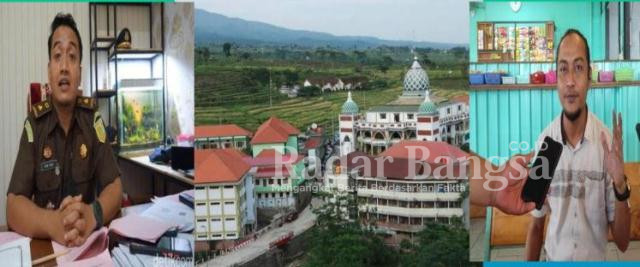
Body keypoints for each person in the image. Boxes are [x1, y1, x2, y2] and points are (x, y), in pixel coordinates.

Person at [6, 13, 122, 247]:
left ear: (79, 71)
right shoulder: (35, 125)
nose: (65, 66)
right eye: (57, 56)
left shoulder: (93, 120)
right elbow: (13, 205)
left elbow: (115, 187)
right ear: (49, 70)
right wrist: (54, 224)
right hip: (48, 246)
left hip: (87, 244)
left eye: (72, 57)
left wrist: (92, 215)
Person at [525, 29, 630, 261]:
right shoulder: (545, 143)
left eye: (579, 68)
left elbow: (623, 243)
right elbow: (536, 225)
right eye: (563, 69)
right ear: (556, 78)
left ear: (590, 77)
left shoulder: (606, 146)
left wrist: (620, 185)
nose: (571, 81)